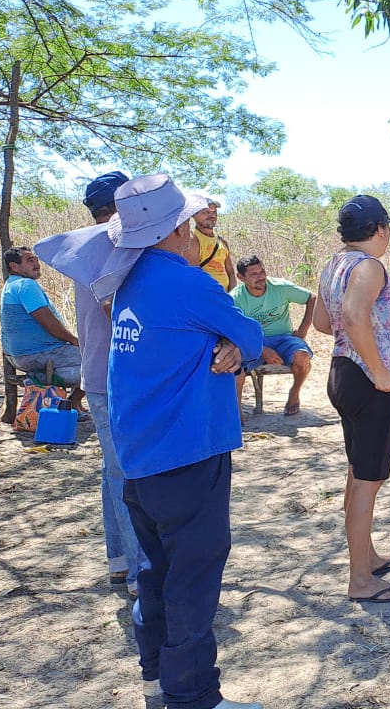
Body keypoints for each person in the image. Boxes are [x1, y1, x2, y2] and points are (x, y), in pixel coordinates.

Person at [105, 173, 264, 709]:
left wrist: (223, 343)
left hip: (139, 457)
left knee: (154, 573)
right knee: (192, 577)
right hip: (188, 451)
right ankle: (194, 697)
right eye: (192, 223)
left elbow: (215, 340)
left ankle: (158, 681)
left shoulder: (128, 279)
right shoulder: (187, 281)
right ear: (178, 230)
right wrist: (231, 342)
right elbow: (253, 335)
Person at [33, 170, 150, 597]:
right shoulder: (116, 246)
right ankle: (141, 571)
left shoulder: (83, 249)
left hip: (98, 375)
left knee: (113, 469)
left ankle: (120, 561)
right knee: (128, 473)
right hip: (119, 377)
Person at [312, 195, 390, 604]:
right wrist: (379, 368)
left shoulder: (335, 263)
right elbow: (353, 317)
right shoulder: (369, 266)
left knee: (358, 476)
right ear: (380, 229)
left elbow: (324, 322)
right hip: (371, 383)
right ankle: (360, 581)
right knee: (368, 483)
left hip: (344, 374)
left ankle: (366, 557)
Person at [0, 245, 86, 413]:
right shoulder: (25, 285)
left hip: (22, 354)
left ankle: (67, 399)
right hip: (37, 354)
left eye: (37, 260)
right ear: (14, 266)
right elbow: (49, 323)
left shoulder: (12, 284)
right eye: (30, 260)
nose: (36, 264)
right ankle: (72, 401)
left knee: (91, 360)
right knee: (100, 361)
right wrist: (74, 340)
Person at [230, 255, 317, 416]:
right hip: (253, 341)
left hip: (284, 337)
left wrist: (303, 330)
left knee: (302, 356)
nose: (261, 277)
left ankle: (294, 392)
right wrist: (262, 349)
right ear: (241, 277)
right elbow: (234, 330)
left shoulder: (280, 287)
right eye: (254, 274)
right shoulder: (235, 298)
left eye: (262, 271)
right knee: (234, 364)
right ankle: (236, 411)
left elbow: (312, 298)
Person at [184, 195, 236, 291]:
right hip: (206, 297)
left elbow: (231, 273)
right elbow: (195, 275)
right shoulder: (192, 240)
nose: (212, 216)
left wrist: (232, 295)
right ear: (194, 215)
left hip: (225, 298)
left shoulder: (222, 242)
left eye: (214, 212)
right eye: (206, 212)